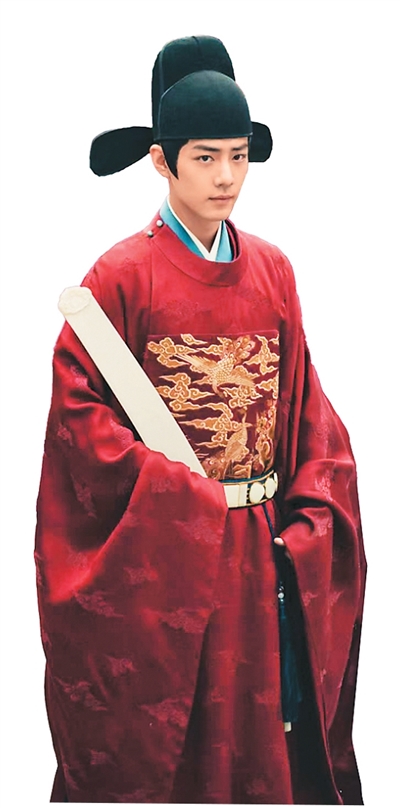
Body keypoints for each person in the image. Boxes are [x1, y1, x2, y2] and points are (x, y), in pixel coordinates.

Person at [35, 35, 366, 804]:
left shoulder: (274, 270)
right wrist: (185, 504)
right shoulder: (119, 277)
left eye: (238, 157)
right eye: (206, 158)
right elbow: (81, 427)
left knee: (268, 739)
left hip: (265, 554)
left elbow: (305, 409)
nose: (225, 178)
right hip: (174, 560)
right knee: (175, 745)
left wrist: (308, 518)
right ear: (162, 161)